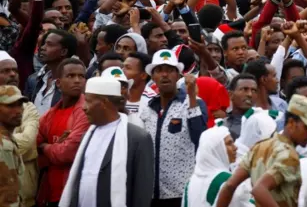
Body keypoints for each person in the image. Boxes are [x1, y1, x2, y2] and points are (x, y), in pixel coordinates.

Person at [58, 76, 154, 207]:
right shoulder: (87, 136)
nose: (84, 108)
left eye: (88, 101)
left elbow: (142, 192)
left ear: (103, 102)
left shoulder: (137, 138)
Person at [216, 94, 307, 207]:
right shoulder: (289, 156)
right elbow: (259, 189)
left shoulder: (259, 147)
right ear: (291, 123)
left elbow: (230, 186)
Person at [140, 49, 207, 207]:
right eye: (159, 71)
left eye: (170, 71)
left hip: (181, 192)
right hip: (152, 193)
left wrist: (191, 98)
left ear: (178, 76)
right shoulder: (148, 108)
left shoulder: (194, 102)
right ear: (153, 77)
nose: (165, 75)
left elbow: (199, 137)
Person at [36, 58, 91, 207]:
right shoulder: (50, 114)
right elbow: (33, 145)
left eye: (81, 76)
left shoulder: (86, 112)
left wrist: (45, 147)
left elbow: (66, 153)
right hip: (50, 191)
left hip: (73, 193)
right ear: (58, 83)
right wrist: (54, 147)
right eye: (71, 76)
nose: (77, 80)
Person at [0, 51, 39, 207]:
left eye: (15, 70)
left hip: (25, 195)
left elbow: (28, 141)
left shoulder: (28, 107)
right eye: (5, 71)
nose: (12, 75)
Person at [182, 126, 250, 207]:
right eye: (229, 143)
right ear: (216, 149)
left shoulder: (190, 182)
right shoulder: (228, 181)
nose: (235, 148)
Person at [26, 29, 78, 115]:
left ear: (63, 52)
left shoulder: (73, 84)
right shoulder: (33, 79)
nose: (42, 48)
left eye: (49, 44)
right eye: (44, 44)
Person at [0, 85, 28, 207]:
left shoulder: (8, 138)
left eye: (20, 104)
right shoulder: (4, 145)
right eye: (10, 106)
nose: (18, 111)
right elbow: (8, 197)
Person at [224, 74, 258, 140]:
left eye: (254, 90)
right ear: (231, 95)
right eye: (244, 89)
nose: (250, 94)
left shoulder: (265, 124)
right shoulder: (222, 128)